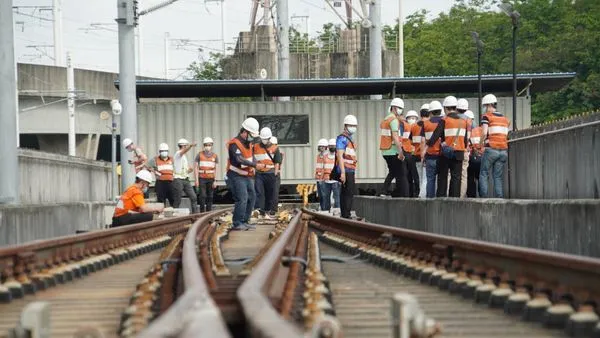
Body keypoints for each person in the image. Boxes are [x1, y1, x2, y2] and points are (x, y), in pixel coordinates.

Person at [226, 117, 265, 231]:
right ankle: (237, 223)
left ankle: (245, 221)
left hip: (247, 175)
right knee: (242, 198)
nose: (252, 138)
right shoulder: (234, 143)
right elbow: (239, 159)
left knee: (252, 197)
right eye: (251, 135)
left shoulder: (249, 144)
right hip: (236, 175)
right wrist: (254, 165)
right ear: (244, 132)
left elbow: (251, 156)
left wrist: (256, 163)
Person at [427, 96, 470, 198]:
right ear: (455, 107)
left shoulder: (445, 119)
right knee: (456, 178)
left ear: (445, 108)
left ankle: (441, 199)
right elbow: (464, 139)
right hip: (459, 152)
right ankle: (454, 199)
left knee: (443, 177)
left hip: (446, 153)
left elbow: (436, 135)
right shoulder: (464, 121)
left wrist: (429, 144)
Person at [479, 94, 510, 198]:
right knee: (497, 176)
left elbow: (484, 132)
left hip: (491, 149)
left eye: (484, 106)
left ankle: (483, 199)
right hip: (503, 151)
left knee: (484, 173)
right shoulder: (505, 119)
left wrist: (480, 144)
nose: (484, 108)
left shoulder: (487, 117)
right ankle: (500, 199)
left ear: (488, 105)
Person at [379, 98, 408, 197]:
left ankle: (383, 191)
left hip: (385, 151)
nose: (400, 111)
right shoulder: (394, 120)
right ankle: (403, 195)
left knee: (393, 172)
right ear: (394, 108)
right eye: (399, 108)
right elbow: (395, 137)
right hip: (393, 150)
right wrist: (400, 152)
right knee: (401, 174)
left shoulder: (385, 119)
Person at [253, 127, 282, 219]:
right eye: (263, 139)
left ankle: (268, 210)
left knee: (270, 193)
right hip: (259, 173)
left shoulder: (275, 148)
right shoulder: (256, 147)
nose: (264, 141)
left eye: (266, 139)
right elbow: (251, 157)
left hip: (270, 173)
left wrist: (275, 173)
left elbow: (277, 162)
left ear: (269, 138)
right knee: (259, 192)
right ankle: (260, 210)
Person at [336, 114, 358, 219]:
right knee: (348, 193)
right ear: (345, 125)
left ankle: (345, 214)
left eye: (354, 125)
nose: (353, 127)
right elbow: (340, 155)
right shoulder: (342, 138)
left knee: (347, 192)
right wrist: (343, 172)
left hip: (351, 169)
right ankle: (346, 214)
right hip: (346, 169)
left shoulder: (350, 138)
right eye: (351, 125)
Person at [420, 101, 443, 198]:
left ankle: (430, 200)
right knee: (442, 179)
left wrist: (422, 155)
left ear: (430, 112)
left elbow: (422, 141)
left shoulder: (425, 124)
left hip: (430, 156)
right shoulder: (444, 122)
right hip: (442, 156)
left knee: (430, 179)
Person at [173, 138, 199, 214]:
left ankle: (194, 215)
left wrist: (189, 170)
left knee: (193, 197)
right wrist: (190, 145)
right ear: (183, 146)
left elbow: (184, 169)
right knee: (177, 199)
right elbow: (183, 151)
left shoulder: (184, 157)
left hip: (185, 179)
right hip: (178, 180)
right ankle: (174, 216)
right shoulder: (178, 154)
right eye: (186, 146)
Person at [194, 137, 218, 212]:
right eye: (206, 145)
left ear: (212, 145)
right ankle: (202, 212)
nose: (208, 146)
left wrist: (215, 180)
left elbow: (216, 169)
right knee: (202, 196)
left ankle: (208, 213)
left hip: (211, 179)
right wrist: (196, 180)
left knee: (210, 196)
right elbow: (195, 168)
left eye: (209, 145)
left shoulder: (215, 156)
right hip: (202, 178)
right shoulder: (199, 155)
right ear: (204, 145)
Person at [147, 143, 175, 207]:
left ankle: (174, 214)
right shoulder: (155, 159)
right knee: (161, 201)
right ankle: (161, 215)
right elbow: (147, 166)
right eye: (162, 151)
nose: (164, 152)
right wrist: (154, 171)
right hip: (160, 183)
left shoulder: (172, 159)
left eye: (165, 151)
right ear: (159, 152)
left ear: (168, 151)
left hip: (171, 182)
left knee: (173, 200)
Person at [466, 110, 483, 197]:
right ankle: (482, 196)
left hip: (471, 158)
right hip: (481, 157)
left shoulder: (467, 131)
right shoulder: (481, 130)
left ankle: (471, 197)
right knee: (481, 178)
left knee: (470, 178)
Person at [403, 110, 420, 197]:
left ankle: (416, 193)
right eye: (410, 118)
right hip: (407, 154)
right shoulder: (404, 128)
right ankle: (410, 194)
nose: (412, 120)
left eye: (413, 118)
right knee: (408, 175)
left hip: (414, 155)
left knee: (415, 176)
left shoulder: (417, 128)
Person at [322, 138, 341, 214]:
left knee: (337, 197)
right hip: (326, 180)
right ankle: (326, 211)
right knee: (326, 197)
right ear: (328, 147)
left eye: (333, 146)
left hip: (335, 180)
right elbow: (323, 168)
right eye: (330, 146)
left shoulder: (338, 156)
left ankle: (337, 211)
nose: (332, 147)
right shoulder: (325, 156)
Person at [414, 104, 429, 198]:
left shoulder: (414, 126)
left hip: (416, 155)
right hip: (428, 155)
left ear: (420, 114)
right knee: (428, 178)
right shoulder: (431, 125)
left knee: (420, 178)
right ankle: (426, 195)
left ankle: (420, 195)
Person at [457, 98, 471, 198]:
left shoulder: (452, 118)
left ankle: (450, 195)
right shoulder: (469, 120)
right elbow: (469, 136)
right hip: (465, 150)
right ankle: (462, 196)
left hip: (454, 150)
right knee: (463, 175)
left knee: (450, 174)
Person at [315, 138, 329, 211]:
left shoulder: (327, 156)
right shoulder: (318, 156)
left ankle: (325, 209)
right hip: (318, 178)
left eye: (323, 147)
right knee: (320, 195)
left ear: (326, 147)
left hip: (323, 179)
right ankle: (322, 208)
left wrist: (321, 178)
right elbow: (318, 167)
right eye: (320, 146)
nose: (321, 148)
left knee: (324, 195)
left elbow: (324, 168)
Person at [270, 136, 281, 214]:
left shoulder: (277, 152)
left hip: (272, 173)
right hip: (274, 173)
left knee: (272, 193)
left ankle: (272, 209)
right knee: (273, 192)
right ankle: (272, 210)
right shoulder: (278, 151)